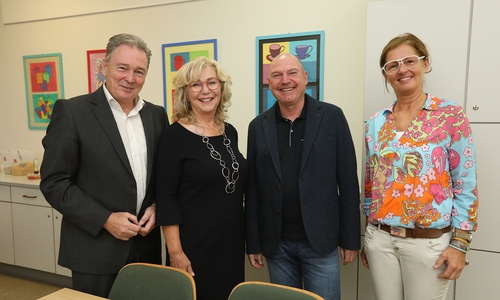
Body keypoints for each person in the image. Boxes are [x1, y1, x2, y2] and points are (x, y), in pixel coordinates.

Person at [40, 33, 168, 298]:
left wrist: (158, 206)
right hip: (95, 251)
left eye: (139, 71)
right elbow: (54, 182)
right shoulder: (73, 112)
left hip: (146, 249)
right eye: (122, 68)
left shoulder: (156, 115)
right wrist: (106, 220)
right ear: (104, 67)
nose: (130, 78)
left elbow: (162, 175)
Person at [360, 33, 479, 300]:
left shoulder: (450, 115)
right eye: (392, 65)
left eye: (409, 61)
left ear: (425, 64)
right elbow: (371, 183)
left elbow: (465, 183)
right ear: (386, 75)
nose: (402, 69)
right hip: (380, 240)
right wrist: (369, 235)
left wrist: (460, 244)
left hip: (429, 244)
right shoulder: (376, 123)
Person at [246, 53, 361, 300]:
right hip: (277, 244)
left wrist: (351, 238)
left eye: (292, 73)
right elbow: (253, 188)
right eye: (277, 75)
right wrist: (253, 242)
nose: (285, 80)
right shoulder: (258, 126)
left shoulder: (332, 117)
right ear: (269, 82)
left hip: (321, 241)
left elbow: (349, 181)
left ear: (305, 77)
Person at [155, 56, 247, 300]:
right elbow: (165, 197)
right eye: (196, 84)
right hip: (194, 245)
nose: (205, 90)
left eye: (212, 83)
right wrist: (175, 252)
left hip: (230, 243)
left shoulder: (231, 132)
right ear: (186, 92)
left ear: (221, 87)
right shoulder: (173, 137)